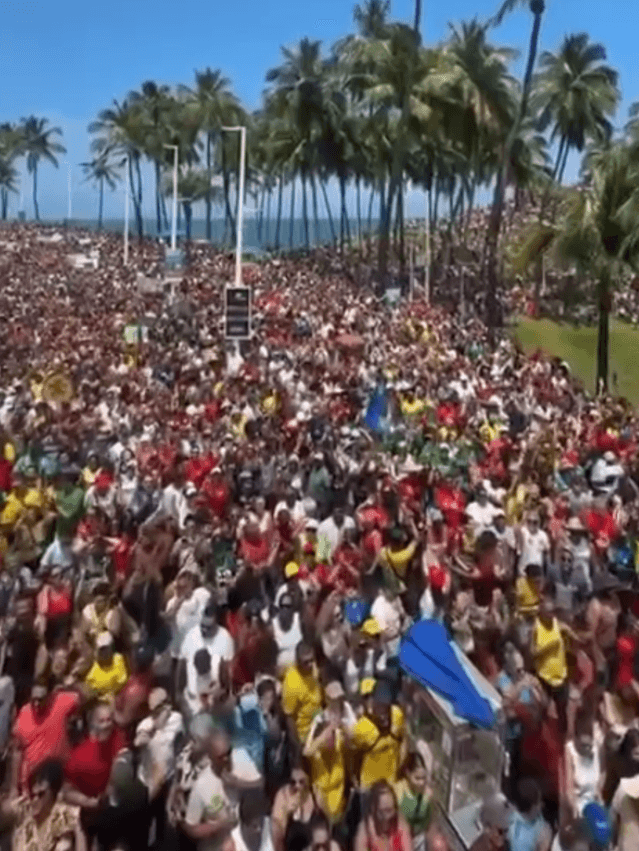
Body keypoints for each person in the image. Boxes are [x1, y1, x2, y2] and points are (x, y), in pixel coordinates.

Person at [11, 676, 81, 795]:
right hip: (31, 784)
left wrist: (70, 686)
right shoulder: (24, 713)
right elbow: (17, 752)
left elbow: (83, 696)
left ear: (50, 696)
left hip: (58, 780)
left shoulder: (60, 701)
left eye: (41, 699)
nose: (37, 704)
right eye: (34, 699)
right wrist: (13, 788)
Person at [0, 758, 86, 851]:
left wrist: (78, 830)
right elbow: (4, 813)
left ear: (54, 795)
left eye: (41, 794)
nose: (35, 799)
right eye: (33, 794)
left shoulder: (63, 817)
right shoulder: (24, 807)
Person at [183, 729, 238, 851]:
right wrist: (219, 826)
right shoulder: (201, 786)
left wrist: (240, 784)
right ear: (210, 757)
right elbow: (191, 828)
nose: (226, 759)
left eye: (228, 753)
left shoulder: (241, 767)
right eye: (220, 757)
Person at [281, 642, 323, 748]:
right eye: (305, 662)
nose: (310, 665)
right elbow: (289, 718)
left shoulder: (314, 669)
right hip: (305, 736)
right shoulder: (291, 683)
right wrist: (298, 746)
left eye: (312, 660)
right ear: (298, 661)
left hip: (319, 726)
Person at [271, 763, 320, 851]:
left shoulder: (316, 794)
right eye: (293, 782)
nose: (297, 786)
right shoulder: (283, 795)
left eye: (302, 781)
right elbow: (277, 831)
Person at [354, 780, 412, 851]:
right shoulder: (366, 828)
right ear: (373, 808)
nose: (387, 817)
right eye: (383, 811)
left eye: (390, 810)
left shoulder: (400, 823)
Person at [393, 753, 432, 851]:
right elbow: (408, 818)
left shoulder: (424, 791)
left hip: (418, 839)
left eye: (423, 778)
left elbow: (427, 821)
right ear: (407, 773)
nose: (421, 783)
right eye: (417, 778)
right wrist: (424, 801)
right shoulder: (399, 790)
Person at [508, 778, 552, 851]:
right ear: (533, 805)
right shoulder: (543, 829)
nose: (542, 805)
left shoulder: (510, 821)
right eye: (539, 801)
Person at [84, 632, 128, 698]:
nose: (103, 652)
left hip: (117, 698)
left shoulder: (118, 659)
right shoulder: (91, 667)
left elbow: (122, 684)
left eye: (106, 649)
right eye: (101, 649)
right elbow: (89, 690)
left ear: (111, 648)